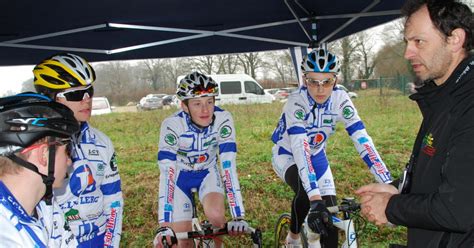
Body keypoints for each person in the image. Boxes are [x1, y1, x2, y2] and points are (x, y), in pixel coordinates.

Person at [356, 0, 474, 247]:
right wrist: (401, 189)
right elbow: (441, 173)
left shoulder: (468, 103)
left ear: (455, 39)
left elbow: (457, 210)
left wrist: (391, 207)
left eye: (419, 41)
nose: (408, 53)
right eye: (407, 42)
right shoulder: (441, 96)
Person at [271, 47, 392, 247]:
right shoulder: (295, 102)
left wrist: (387, 181)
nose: (320, 89)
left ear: (335, 80)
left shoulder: (341, 99)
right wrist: (315, 198)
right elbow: (301, 150)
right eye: (313, 82)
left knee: (329, 223)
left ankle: (313, 237)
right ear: (304, 80)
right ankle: (292, 237)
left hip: (317, 157)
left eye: (326, 81)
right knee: (305, 193)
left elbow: (361, 138)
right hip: (288, 155)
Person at [33, 53, 123, 247]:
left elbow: (113, 198)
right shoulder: (35, 147)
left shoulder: (102, 142)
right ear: (50, 99)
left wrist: (111, 243)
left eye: (89, 91)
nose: (87, 99)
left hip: (99, 238)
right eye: (75, 94)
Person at [154, 72, 249, 248]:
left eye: (210, 102)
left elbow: (228, 165)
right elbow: (167, 171)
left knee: (217, 219)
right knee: (183, 240)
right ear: (184, 106)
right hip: (179, 176)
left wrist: (238, 215)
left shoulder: (223, 119)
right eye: (197, 104)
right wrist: (164, 225)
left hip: (207, 172)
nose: (205, 110)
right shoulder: (172, 125)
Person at [0, 93, 79, 247]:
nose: (70, 161)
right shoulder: (5, 237)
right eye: (68, 149)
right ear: (44, 154)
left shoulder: (45, 206)